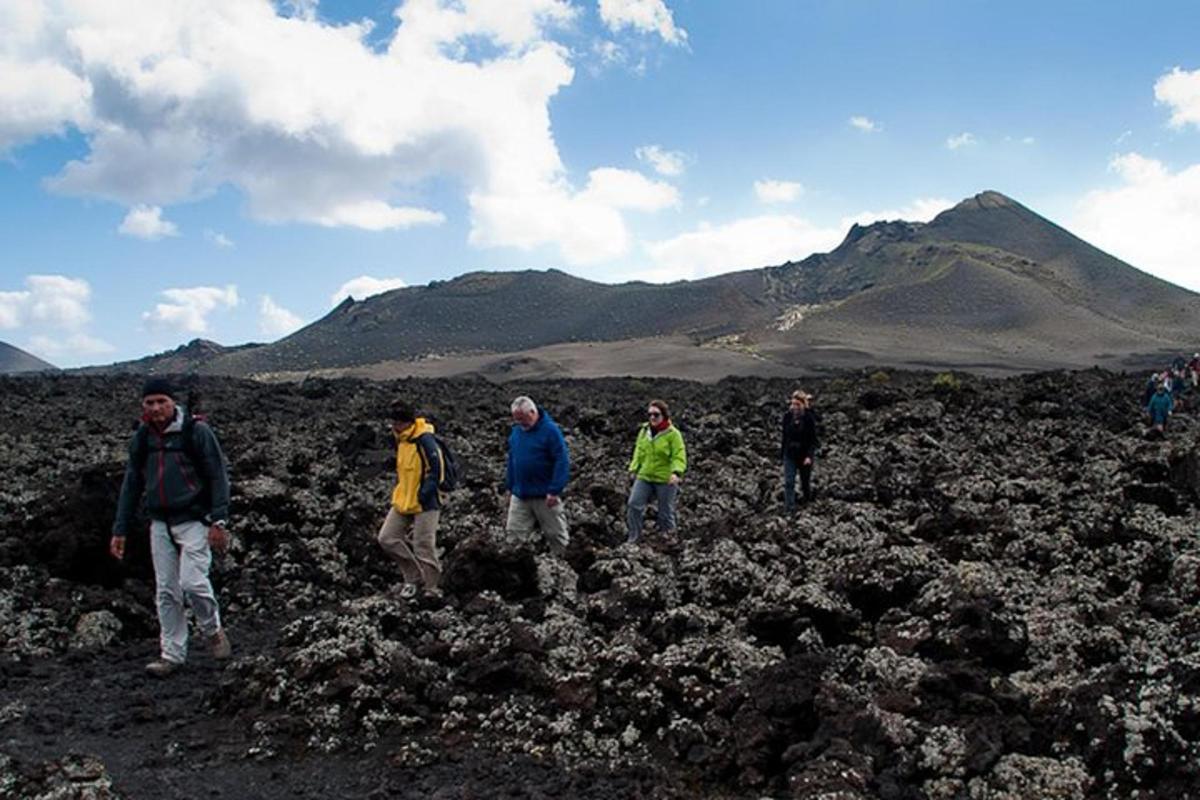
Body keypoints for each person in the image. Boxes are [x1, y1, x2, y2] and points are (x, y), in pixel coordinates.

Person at [110, 377, 231, 677]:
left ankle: (212, 629)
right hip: (160, 522)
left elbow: (217, 475)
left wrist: (219, 520)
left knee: (193, 583)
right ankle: (172, 654)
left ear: (172, 402)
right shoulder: (142, 438)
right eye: (149, 403)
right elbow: (132, 483)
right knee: (166, 591)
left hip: (194, 519)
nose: (156, 408)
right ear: (143, 406)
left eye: (161, 401)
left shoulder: (195, 432)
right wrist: (120, 528)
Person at [377, 401, 444, 598]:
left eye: (398, 422)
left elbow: (437, 471)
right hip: (404, 498)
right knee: (387, 538)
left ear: (408, 422)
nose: (394, 426)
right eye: (393, 422)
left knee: (423, 544)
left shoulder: (424, 440)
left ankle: (431, 588)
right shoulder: (402, 440)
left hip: (425, 502)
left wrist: (425, 493)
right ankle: (413, 577)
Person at [504, 396, 570, 555]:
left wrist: (555, 490)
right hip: (520, 494)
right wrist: (510, 485)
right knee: (514, 534)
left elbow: (562, 460)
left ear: (533, 412)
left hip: (545, 495)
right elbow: (513, 459)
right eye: (517, 420)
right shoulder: (516, 432)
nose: (521, 424)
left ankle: (563, 565)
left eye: (523, 419)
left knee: (556, 535)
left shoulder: (550, 431)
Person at [626, 399, 687, 544]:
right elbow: (639, 451)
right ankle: (634, 539)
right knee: (634, 504)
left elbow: (678, 455)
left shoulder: (673, 434)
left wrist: (676, 473)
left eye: (656, 414)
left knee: (665, 513)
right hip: (645, 476)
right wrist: (633, 469)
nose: (652, 417)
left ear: (664, 416)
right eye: (650, 414)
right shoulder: (644, 431)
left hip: (665, 479)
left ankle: (670, 540)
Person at [781, 389, 819, 512]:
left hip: (804, 455)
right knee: (789, 482)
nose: (794, 407)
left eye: (797, 404)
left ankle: (807, 502)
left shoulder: (808, 418)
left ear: (803, 404)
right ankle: (789, 509)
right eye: (793, 404)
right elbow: (784, 437)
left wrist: (809, 456)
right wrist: (782, 454)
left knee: (805, 482)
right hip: (790, 454)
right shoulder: (787, 417)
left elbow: (813, 439)